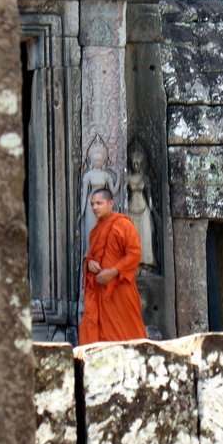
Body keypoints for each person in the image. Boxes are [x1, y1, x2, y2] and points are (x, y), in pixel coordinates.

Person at [79, 188, 147, 345]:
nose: (95, 207)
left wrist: (113, 271)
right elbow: (92, 257)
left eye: (99, 203)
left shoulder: (123, 225)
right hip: (101, 293)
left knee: (128, 333)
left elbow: (134, 254)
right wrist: (90, 264)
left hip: (120, 289)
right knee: (100, 334)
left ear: (111, 203)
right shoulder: (95, 232)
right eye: (92, 204)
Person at [80, 143, 120, 257]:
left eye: (100, 160)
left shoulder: (106, 175)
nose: (98, 162)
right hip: (91, 205)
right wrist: (82, 210)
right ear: (91, 161)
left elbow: (113, 191)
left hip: (104, 205)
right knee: (91, 229)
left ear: (103, 161)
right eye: (95, 160)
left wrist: (119, 177)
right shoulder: (87, 175)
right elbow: (84, 196)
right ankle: (90, 252)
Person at [127, 147, 157, 268]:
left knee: (146, 236)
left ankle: (146, 262)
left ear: (142, 164)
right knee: (133, 236)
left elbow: (149, 194)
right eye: (134, 163)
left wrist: (151, 205)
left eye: (138, 163)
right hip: (131, 207)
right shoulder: (128, 178)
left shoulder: (145, 178)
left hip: (144, 208)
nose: (136, 165)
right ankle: (132, 262)